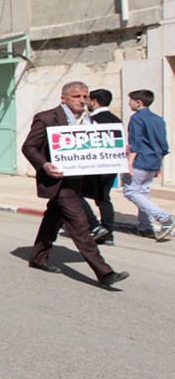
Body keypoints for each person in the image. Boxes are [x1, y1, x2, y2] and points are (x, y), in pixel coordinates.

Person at [21, 81, 129, 286]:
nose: (82, 100)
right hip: (59, 182)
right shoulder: (46, 118)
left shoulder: (89, 120)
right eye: (77, 96)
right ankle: (104, 272)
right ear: (64, 98)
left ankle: (38, 257)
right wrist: (44, 165)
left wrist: (117, 150)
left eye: (85, 96)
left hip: (80, 181)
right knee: (80, 224)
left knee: (53, 218)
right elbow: (29, 147)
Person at [123, 89, 174, 240]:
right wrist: (160, 165)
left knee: (130, 191)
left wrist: (129, 163)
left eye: (131, 100)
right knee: (143, 192)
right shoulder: (158, 119)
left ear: (139, 102)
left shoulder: (137, 118)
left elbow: (135, 142)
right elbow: (163, 144)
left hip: (140, 160)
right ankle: (145, 226)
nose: (129, 103)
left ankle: (164, 217)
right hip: (154, 160)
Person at [79, 89, 122, 245]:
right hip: (111, 165)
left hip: (95, 166)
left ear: (94, 101)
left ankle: (95, 226)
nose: (86, 102)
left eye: (88, 99)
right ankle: (108, 234)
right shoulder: (117, 120)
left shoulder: (91, 119)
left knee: (75, 194)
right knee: (104, 198)